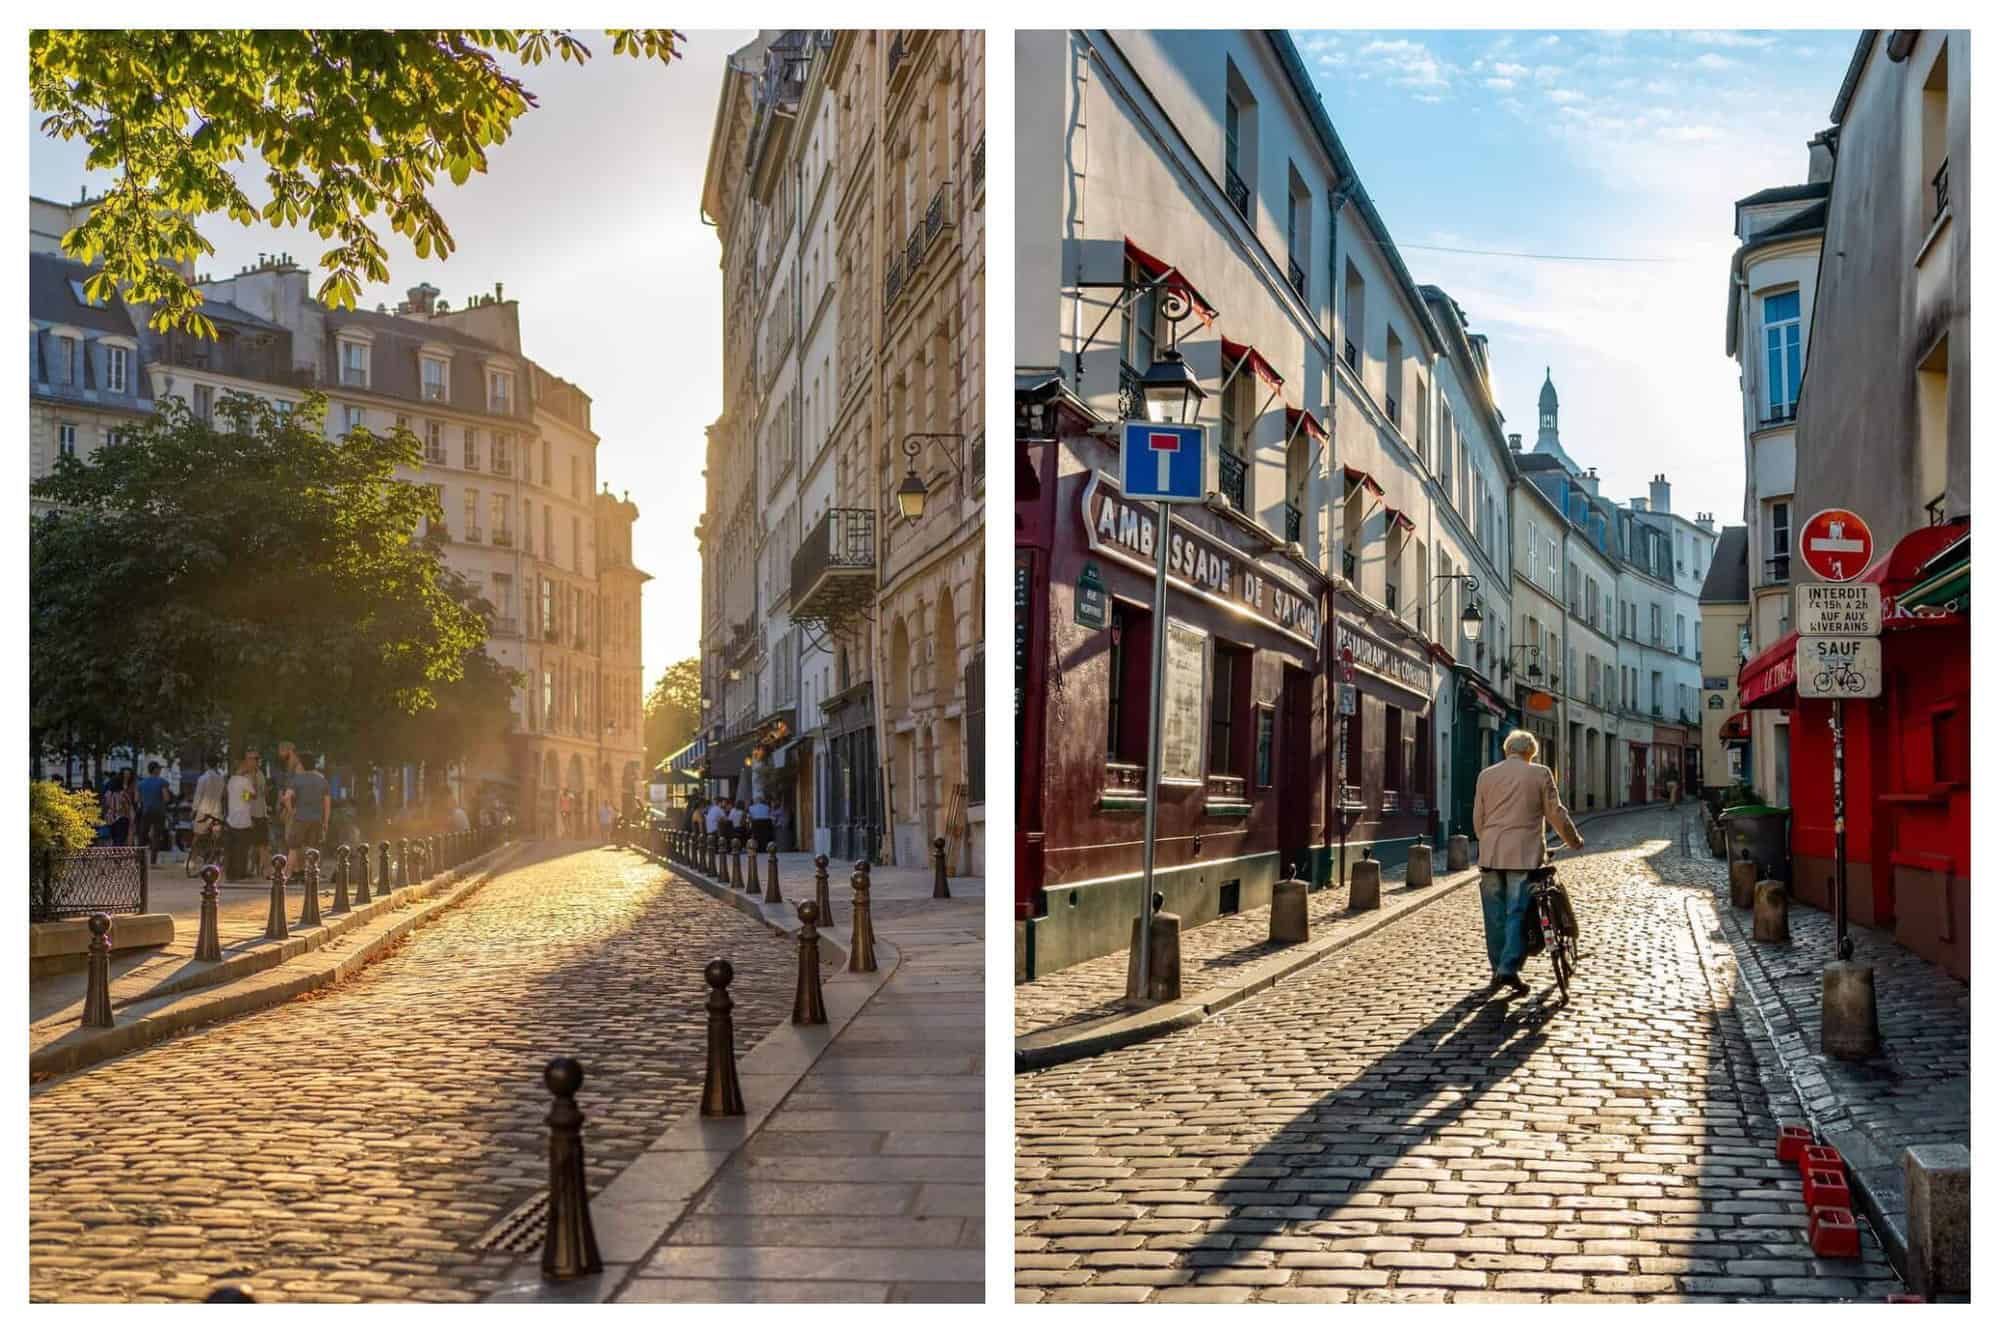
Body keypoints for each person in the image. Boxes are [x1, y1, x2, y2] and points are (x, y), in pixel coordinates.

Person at [1471, 729, 1584, 996]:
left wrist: (1488, 841)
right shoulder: (1540, 773)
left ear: (1506, 750)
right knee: (1516, 912)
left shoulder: (1486, 775)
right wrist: (1573, 840)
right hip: (1523, 855)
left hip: (1490, 854)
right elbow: (1555, 812)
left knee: (1494, 916)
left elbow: (1479, 819)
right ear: (1531, 753)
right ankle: (1508, 969)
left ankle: (1498, 967)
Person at [282, 750, 331, 855]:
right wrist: (326, 822)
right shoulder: (322, 780)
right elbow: (327, 804)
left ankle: (290, 871)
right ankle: (312, 870)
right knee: (313, 851)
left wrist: (291, 812)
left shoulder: (297, 779)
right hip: (316, 820)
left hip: (300, 818)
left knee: (294, 849)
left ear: (303, 764)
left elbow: (286, 798)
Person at [225, 749, 263, 880]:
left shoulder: (231, 780)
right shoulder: (245, 781)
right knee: (242, 849)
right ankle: (240, 872)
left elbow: (240, 796)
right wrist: (252, 782)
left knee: (232, 848)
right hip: (243, 819)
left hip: (231, 818)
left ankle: (230, 873)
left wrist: (244, 796)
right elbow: (253, 796)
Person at [190, 755, 228, 864]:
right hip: (217, 811)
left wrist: (193, 810)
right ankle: (212, 860)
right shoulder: (221, 779)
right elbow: (224, 795)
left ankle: (192, 860)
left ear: (206, 764)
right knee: (215, 837)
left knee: (197, 835)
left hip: (204, 811)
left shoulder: (203, 778)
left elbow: (198, 795)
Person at [134, 762, 173, 863]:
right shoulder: (162, 782)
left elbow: (137, 799)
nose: (160, 770)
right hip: (159, 812)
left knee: (142, 834)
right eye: (159, 768)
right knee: (156, 835)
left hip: (146, 811)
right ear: (155, 770)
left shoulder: (141, 783)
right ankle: (153, 860)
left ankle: (139, 858)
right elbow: (166, 798)